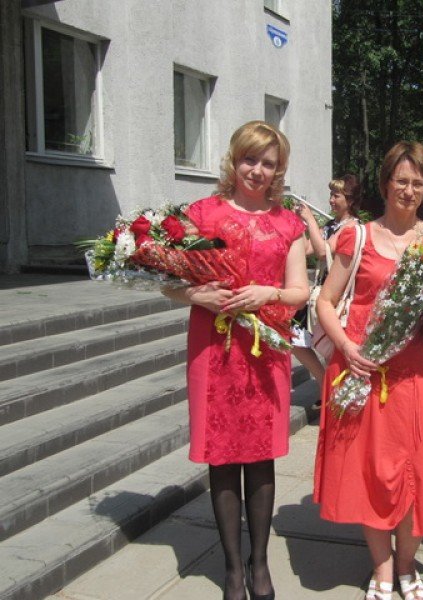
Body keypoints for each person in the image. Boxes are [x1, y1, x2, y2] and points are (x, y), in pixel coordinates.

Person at [163, 121, 309, 600]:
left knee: (260, 456)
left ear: (278, 170)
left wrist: (269, 292)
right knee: (222, 456)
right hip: (214, 349)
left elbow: (300, 291)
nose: (257, 170)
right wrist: (196, 295)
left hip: (264, 350)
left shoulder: (288, 223)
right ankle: (231, 568)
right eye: (250, 159)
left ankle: (259, 563)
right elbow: (166, 282)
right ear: (234, 159)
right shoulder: (201, 215)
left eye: (268, 163)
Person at [313, 142, 423, 600]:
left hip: (415, 372)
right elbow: (324, 302)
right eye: (401, 180)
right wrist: (347, 346)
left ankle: (407, 563)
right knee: (370, 473)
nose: (409, 190)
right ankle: (381, 565)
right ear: (385, 184)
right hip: (362, 368)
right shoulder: (357, 237)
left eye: (418, 182)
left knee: (419, 469)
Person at [291, 175, 363, 401]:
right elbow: (307, 249)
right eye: (331, 194)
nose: (331, 199)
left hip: (337, 297)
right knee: (294, 338)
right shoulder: (331, 225)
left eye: (336, 195)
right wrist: (298, 225)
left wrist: (310, 219)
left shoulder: (352, 227)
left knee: (332, 350)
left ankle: (335, 393)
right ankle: (325, 384)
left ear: (350, 200)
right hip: (320, 294)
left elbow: (324, 251)